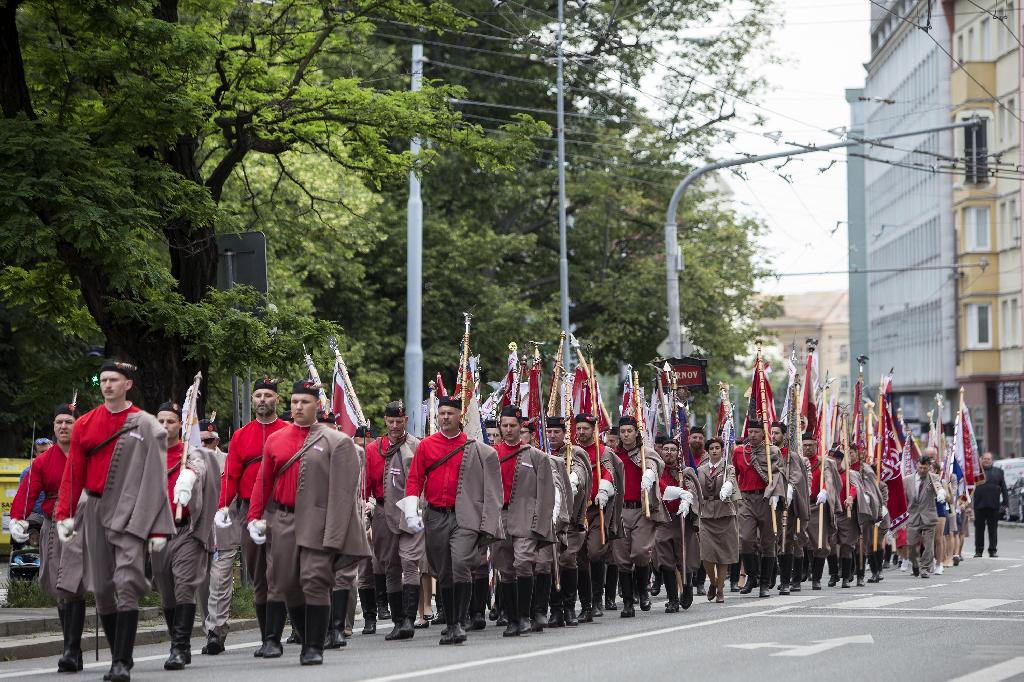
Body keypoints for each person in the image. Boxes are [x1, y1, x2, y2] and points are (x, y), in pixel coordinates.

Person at [55, 360, 175, 682]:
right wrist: (64, 514)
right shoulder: (86, 424)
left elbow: (156, 480)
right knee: (104, 589)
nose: (107, 385)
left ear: (128, 385)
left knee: (126, 583)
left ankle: (122, 662)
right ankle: (117, 657)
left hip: (133, 512)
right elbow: (74, 471)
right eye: (104, 380)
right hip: (93, 509)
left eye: (114, 380)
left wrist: (159, 526)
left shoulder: (147, 425)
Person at [247, 380, 371, 665]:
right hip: (283, 519)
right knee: (286, 584)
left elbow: (343, 495)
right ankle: (304, 635)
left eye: (305, 402)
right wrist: (255, 517)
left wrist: (335, 536)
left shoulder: (336, 443)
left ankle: (314, 647)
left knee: (314, 580)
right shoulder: (275, 440)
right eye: (294, 402)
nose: (298, 407)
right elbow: (263, 483)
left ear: (318, 405)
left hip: (319, 521)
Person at [402, 395, 503, 646]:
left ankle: (459, 622)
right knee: (444, 572)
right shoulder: (426, 446)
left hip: (463, 517)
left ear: (460, 417)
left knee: (460, 564)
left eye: (450, 413)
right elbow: (415, 478)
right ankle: (450, 623)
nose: (445, 417)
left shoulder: (474, 447)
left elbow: (488, 488)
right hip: (435, 516)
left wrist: (487, 520)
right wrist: (411, 510)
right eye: (441, 413)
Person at [10, 403, 86, 673]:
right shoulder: (42, 462)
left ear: (78, 424)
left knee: (72, 585)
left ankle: (70, 650)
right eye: (59, 422)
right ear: (53, 427)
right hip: (53, 526)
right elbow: (27, 494)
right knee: (58, 587)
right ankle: (72, 648)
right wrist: (18, 518)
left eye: (68, 421)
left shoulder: (88, 454)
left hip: (81, 524)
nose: (63, 426)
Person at [214, 378, 288, 657]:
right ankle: (265, 636)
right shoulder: (241, 436)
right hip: (248, 510)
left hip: (280, 509)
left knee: (278, 572)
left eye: (268, 395)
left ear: (276, 400)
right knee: (259, 574)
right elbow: (231, 474)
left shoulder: (289, 432)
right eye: (258, 395)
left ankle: (274, 638)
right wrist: (223, 506)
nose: (262, 400)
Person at [152, 402, 221, 670]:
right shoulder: (148, 455)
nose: (165, 426)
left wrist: (188, 478)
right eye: (160, 421)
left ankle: (179, 648)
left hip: (185, 530)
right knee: (167, 592)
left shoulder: (190, 453)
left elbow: (199, 469)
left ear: (180, 425)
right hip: (158, 531)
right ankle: (176, 640)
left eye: (170, 421)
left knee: (184, 587)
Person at [488, 405, 555, 637]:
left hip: (525, 516)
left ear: (521, 427)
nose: (508, 430)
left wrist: (541, 525)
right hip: (499, 518)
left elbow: (547, 494)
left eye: (513, 426)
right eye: (504, 426)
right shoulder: (491, 455)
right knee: (505, 569)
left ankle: (526, 616)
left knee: (524, 562)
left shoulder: (537, 457)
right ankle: (513, 619)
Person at [363, 401, 424, 641]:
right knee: (390, 566)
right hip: (380, 511)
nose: (395, 426)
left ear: (406, 420)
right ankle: (398, 621)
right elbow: (365, 483)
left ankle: (408, 619)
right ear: (385, 421)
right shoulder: (373, 449)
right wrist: (364, 508)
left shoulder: (417, 446)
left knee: (410, 563)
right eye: (391, 421)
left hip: (410, 511)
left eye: (400, 421)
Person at [609, 415, 667, 617]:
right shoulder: (612, 455)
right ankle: (627, 601)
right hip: (619, 510)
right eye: (622, 431)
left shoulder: (645, 453)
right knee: (622, 558)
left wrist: (649, 474)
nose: (626, 435)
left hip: (642, 509)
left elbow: (655, 464)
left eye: (629, 431)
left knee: (641, 552)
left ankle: (642, 590)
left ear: (636, 432)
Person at [196, 419, 238, 656]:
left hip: (223, 529)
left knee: (220, 581)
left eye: (209, 441)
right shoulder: (189, 462)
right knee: (202, 584)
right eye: (201, 440)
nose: (205, 445)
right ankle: (209, 627)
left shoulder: (228, 462)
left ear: (217, 441)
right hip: (197, 532)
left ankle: (216, 631)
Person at [573, 413, 621, 622]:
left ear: (593, 429)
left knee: (594, 552)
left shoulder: (603, 452)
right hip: (576, 510)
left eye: (585, 428)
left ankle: (598, 599)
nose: (582, 432)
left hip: (597, 509)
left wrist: (605, 487)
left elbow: (609, 471)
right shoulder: (572, 452)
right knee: (580, 558)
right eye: (579, 428)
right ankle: (586, 603)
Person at [732, 420, 786, 598]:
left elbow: (779, 474)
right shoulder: (740, 452)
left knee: (768, 542)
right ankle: (752, 576)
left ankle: (764, 583)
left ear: (764, 434)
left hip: (766, 498)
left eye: (756, 432)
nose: (753, 435)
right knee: (745, 539)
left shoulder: (772, 451)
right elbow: (733, 474)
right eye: (750, 431)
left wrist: (776, 493)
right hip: (746, 499)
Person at [654, 439, 698, 612]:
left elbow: (693, 489)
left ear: (678, 453)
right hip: (663, 518)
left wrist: (688, 500)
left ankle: (687, 587)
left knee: (683, 557)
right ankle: (672, 599)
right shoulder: (655, 470)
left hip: (681, 519)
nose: (669, 452)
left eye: (673, 449)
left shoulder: (684, 471)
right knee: (665, 560)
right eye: (666, 449)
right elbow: (658, 488)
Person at [698, 438, 738, 604]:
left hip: (724, 514)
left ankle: (720, 589)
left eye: (717, 448)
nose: (714, 451)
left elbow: (731, 480)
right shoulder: (700, 470)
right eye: (711, 448)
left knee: (723, 555)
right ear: (707, 451)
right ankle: (713, 582)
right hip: (706, 514)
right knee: (706, 554)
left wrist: (727, 487)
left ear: (722, 450)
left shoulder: (728, 468)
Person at [778, 431, 810, 595]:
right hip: (770, 503)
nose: (774, 436)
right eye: (772, 433)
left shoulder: (792, 456)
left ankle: (793, 579)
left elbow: (798, 477)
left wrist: (790, 488)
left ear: (784, 436)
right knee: (775, 541)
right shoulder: (768, 454)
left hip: (790, 505)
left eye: (777, 433)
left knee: (790, 540)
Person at [807, 438, 841, 590]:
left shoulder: (824, 462)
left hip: (817, 505)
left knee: (820, 544)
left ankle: (816, 578)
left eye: (810, 445)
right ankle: (794, 578)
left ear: (816, 446)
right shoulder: (797, 461)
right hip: (799, 505)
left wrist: (825, 490)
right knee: (792, 542)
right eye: (805, 445)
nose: (807, 448)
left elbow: (830, 480)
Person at [904, 454, 945, 578]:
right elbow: (903, 499)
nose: (922, 470)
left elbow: (938, 487)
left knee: (928, 545)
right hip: (913, 516)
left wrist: (941, 493)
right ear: (917, 466)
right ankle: (915, 564)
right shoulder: (907, 480)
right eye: (920, 468)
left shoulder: (933, 478)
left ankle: (925, 568)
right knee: (911, 545)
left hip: (928, 515)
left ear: (929, 467)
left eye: (925, 468)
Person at [972, 452, 1008, 557]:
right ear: (981, 460)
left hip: (994, 506)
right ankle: (979, 551)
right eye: (984, 459)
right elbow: (969, 488)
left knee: (993, 530)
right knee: (979, 530)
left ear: (992, 460)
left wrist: (1005, 503)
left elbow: (1004, 488)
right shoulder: (976, 472)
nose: (986, 460)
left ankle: (992, 550)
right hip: (979, 506)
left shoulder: (999, 472)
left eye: (988, 459)